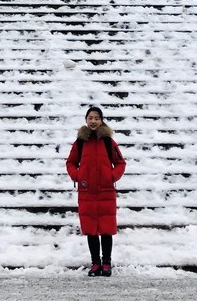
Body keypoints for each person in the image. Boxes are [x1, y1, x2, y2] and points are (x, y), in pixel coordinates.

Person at [66, 105, 126, 277]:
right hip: (87, 192)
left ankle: (106, 263)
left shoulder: (108, 142)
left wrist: (112, 176)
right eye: (90, 118)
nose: (93, 121)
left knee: (106, 229)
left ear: (101, 121)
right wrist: (77, 176)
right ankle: (95, 263)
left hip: (105, 191)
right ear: (86, 120)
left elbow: (120, 163)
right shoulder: (80, 142)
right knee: (91, 229)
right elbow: (70, 163)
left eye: (97, 118)